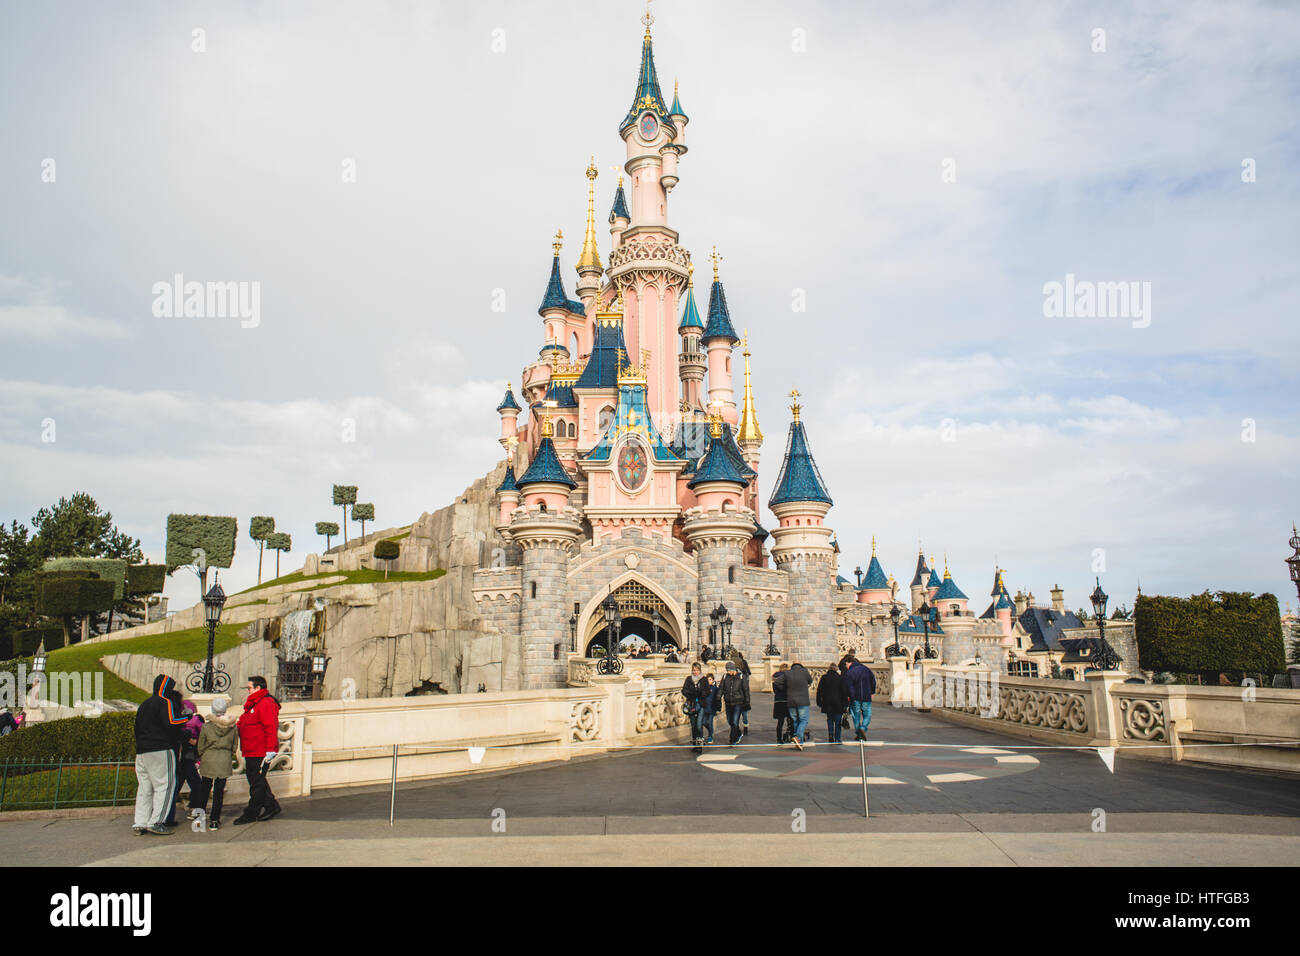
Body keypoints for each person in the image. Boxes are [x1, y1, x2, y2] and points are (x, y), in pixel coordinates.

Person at [132, 675, 190, 835]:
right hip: (160, 749)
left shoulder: (144, 704)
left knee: (144, 788)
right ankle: (157, 822)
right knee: (164, 786)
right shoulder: (165, 702)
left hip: (142, 751)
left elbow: (136, 728)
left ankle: (140, 823)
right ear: (167, 688)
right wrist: (188, 717)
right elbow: (171, 722)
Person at [234, 676, 282, 825]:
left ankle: (252, 812)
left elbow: (270, 727)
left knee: (256, 782)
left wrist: (270, 750)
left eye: (249, 688)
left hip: (259, 750)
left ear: (258, 688)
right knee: (257, 780)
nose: (247, 690)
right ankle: (271, 806)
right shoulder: (256, 703)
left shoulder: (265, 703)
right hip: (252, 749)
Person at [194, 696, 238, 830]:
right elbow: (234, 746)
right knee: (219, 791)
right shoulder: (233, 727)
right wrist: (227, 754)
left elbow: (200, 745)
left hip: (209, 758)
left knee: (205, 789)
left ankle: (199, 818)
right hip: (224, 758)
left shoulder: (207, 727)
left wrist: (202, 755)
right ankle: (214, 820)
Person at [163, 702, 204, 827]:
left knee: (175, 786)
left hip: (178, 757)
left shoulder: (175, 723)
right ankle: (196, 808)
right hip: (187, 756)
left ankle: (167, 815)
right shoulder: (195, 721)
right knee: (196, 783)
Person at [844, 656, 878, 741]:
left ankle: (859, 733)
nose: (846, 666)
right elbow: (873, 681)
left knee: (856, 716)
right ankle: (863, 728)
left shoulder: (850, 672)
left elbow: (849, 687)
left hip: (855, 698)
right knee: (867, 715)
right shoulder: (867, 670)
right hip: (866, 696)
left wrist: (851, 696)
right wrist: (872, 692)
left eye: (846, 664)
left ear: (849, 663)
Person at [785, 661, 814, 750]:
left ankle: (799, 742)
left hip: (791, 701)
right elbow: (810, 680)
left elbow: (777, 682)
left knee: (795, 720)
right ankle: (798, 737)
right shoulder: (804, 671)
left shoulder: (787, 673)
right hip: (803, 701)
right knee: (803, 720)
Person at [816, 662, 847, 744]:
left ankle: (830, 735)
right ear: (836, 669)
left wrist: (819, 701)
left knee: (829, 719)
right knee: (838, 721)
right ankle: (838, 738)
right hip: (838, 703)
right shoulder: (840, 678)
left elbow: (819, 691)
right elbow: (844, 692)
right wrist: (845, 703)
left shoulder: (824, 677)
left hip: (827, 702)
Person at [721, 661, 750, 745]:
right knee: (730, 720)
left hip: (738, 702)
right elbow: (721, 688)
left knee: (734, 721)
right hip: (728, 702)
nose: (728, 672)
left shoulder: (741, 677)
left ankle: (733, 739)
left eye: (729, 670)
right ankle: (738, 733)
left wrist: (747, 701)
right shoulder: (725, 676)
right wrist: (718, 698)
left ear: (733, 669)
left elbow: (746, 690)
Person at [681, 663, 707, 754]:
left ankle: (699, 745)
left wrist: (700, 693)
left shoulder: (704, 679)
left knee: (699, 725)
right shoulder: (689, 679)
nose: (695, 672)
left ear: (700, 670)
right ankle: (695, 744)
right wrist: (692, 693)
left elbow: (707, 691)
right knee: (693, 725)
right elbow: (684, 690)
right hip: (691, 704)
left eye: (697, 670)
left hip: (701, 704)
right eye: (694, 670)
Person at [771, 663, 791, 743]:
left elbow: (775, 691)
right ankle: (791, 735)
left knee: (780, 721)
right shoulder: (788, 677)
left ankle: (779, 738)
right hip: (787, 700)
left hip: (778, 701)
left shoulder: (775, 678)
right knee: (790, 720)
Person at [699, 673, 719, 744]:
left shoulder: (715, 689)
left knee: (710, 722)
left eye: (710, 679)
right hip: (705, 708)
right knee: (704, 722)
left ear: (713, 680)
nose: (709, 681)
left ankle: (710, 736)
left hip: (712, 708)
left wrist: (718, 708)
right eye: (707, 680)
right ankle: (711, 731)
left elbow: (718, 699)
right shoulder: (704, 688)